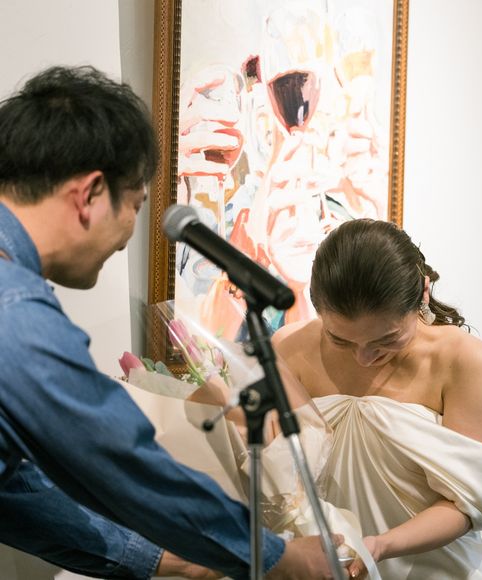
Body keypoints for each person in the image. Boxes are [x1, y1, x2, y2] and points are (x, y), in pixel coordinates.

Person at [0, 65, 342, 579]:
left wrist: (167, 559)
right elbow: (121, 460)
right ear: (90, 194)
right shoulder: (14, 312)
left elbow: (12, 489)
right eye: (137, 205)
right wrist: (278, 557)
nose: (127, 239)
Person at [270, 219, 482, 578]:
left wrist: (382, 545)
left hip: (434, 569)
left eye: (386, 340)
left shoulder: (465, 362)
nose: (363, 357)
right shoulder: (288, 348)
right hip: (327, 567)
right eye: (340, 340)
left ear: (423, 294)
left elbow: (468, 503)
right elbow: (278, 470)